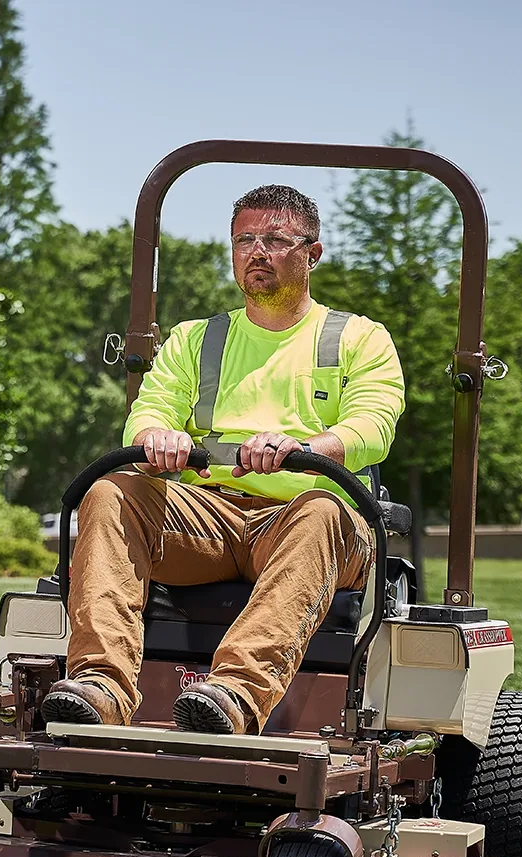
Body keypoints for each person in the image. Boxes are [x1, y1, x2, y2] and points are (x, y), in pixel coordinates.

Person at [40, 184, 405, 735]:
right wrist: (159, 438)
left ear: (313, 253)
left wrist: (304, 450)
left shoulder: (359, 339)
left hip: (307, 521)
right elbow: (146, 417)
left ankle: (232, 696)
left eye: (275, 239)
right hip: (205, 517)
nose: (256, 251)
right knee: (111, 489)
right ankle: (102, 687)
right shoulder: (196, 340)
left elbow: (371, 426)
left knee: (321, 512)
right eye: (244, 239)